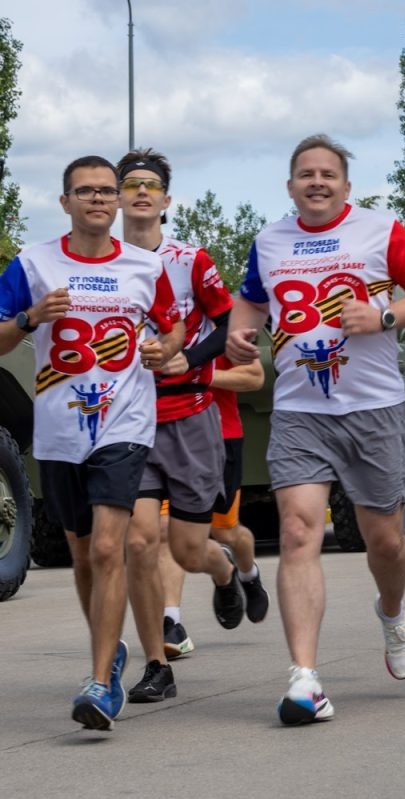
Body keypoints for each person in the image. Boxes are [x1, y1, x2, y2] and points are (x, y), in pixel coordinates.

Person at [226, 134, 405, 724]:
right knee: (299, 532)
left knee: (386, 542)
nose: (316, 182)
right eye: (306, 174)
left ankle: (392, 614)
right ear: (290, 184)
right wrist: (239, 331)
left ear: (346, 187)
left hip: (373, 408)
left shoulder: (380, 230)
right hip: (300, 411)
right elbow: (250, 301)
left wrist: (384, 316)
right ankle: (305, 679)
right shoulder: (270, 241)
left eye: (328, 174)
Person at [0, 155, 182, 730]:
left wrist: (162, 348)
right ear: (65, 202)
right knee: (81, 552)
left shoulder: (145, 267)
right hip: (59, 430)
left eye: (107, 191)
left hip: (124, 423)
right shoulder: (32, 264)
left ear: (119, 201)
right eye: (86, 191)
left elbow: (172, 324)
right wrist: (30, 319)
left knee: (109, 548)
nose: (99, 200)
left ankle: (101, 683)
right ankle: (111, 648)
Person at [115, 149, 247, 703]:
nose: (141, 192)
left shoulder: (191, 259)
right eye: (131, 184)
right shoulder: (102, 263)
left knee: (191, 549)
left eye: (151, 185)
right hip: (130, 419)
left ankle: (223, 574)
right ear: (118, 197)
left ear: (166, 200)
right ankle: (155, 666)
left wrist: (190, 360)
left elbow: (228, 322)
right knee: (141, 543)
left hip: (191, 416)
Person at [157, 353, 269, 661]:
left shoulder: (219, 324)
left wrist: (199, 377)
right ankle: (171, 623)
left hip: (220, 436)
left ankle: (246, 574)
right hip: (164, 433)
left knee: (226, 533)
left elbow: (254, 377)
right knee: (165, 529)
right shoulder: (150, 320)